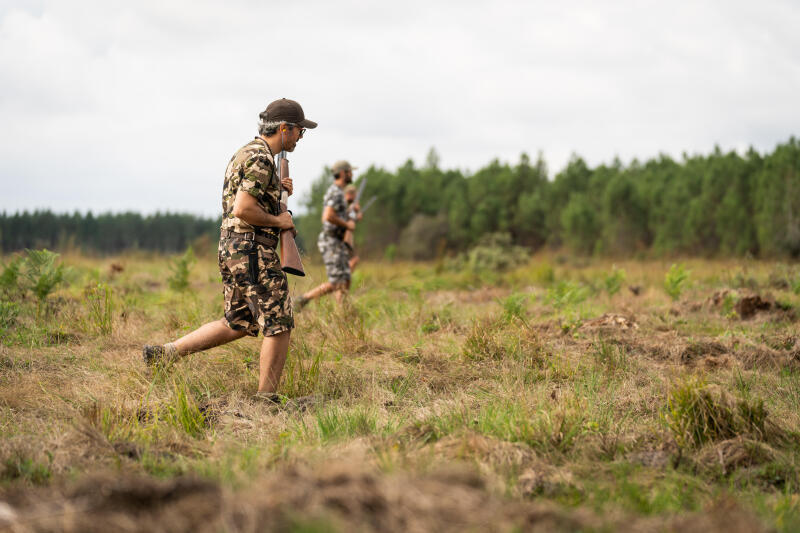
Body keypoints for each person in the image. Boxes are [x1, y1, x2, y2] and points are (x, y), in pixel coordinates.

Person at [142, 98, 317, 405]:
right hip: (252, 250)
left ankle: (166, 354)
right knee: (279, 321)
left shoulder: (246, 153)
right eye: (299, 131)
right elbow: (244, 207)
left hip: (232, 246)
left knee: (238, 321)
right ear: (285, 129)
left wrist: (277, 188)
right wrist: (280, 220)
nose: (300, 138)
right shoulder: (263, 159)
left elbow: (245, 201)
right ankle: (266, 400)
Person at [294, 160, 361, 309]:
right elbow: (328, 216)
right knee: (338, 281)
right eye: (350, 172)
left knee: (345, 278)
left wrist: (352, 212)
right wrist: (347, 224)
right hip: (331, 241)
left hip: (338, 241)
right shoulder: (336, 192)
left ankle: (342, 312)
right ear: (343, 173)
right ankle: (303, 299)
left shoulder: (339, 193)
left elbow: (339, 214)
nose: (352, 174)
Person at [343, 184, 361, 272]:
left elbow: (350, 219)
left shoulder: (348, 205)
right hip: (342, 240)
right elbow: (346, 217)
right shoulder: (345, 204)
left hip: (346, 240)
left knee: (354, 260)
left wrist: (357, 216)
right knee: (352, 261)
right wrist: (353, 209)